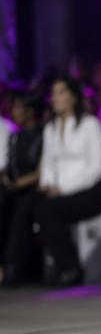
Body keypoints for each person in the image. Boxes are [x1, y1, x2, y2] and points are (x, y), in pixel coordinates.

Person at [33, 78, 101, 286]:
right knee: (28, 205)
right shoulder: (50, 128)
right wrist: (47, 184)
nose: (54, 98)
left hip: (88, 192)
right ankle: (21, 269)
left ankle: (70, 268)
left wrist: (63, 189)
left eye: (60, 93)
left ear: (73, 97)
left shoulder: (90, 125)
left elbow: (97, 168)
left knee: (46, 211)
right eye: (53, 93)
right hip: (58, 193)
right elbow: (48, 163)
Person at [0, 92, 44, 287]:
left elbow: (42, 170)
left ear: (30, 111)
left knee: (22, 209)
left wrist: (20, 183)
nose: (13, 111)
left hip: (33, 188)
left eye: (18, 107)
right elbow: (9, 166)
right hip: (14, 187)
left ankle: (13, 268)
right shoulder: (15, 136)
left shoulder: (42, 134)